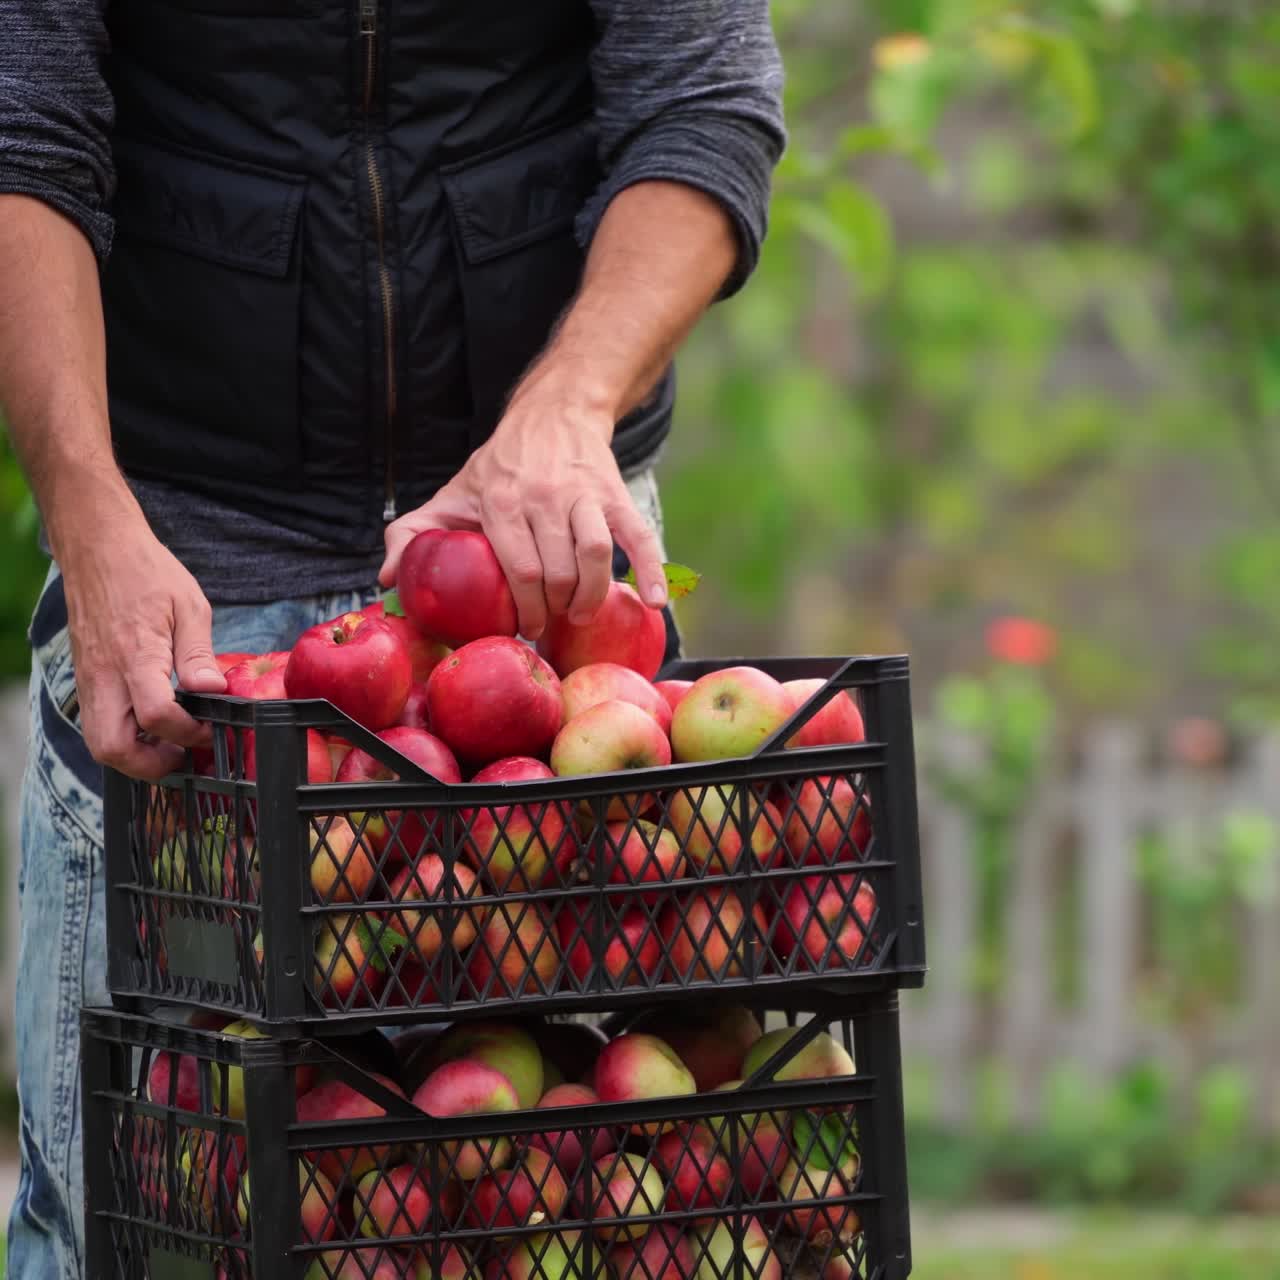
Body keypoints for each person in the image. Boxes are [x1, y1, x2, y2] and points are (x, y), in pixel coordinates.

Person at [0, 1, 785, 1273]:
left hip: (545, 560)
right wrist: (89, 513)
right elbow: (22, 135)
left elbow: (700, 102)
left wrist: (568, 404)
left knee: (573, 1208)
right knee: (136, 1213)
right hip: (186, 545)